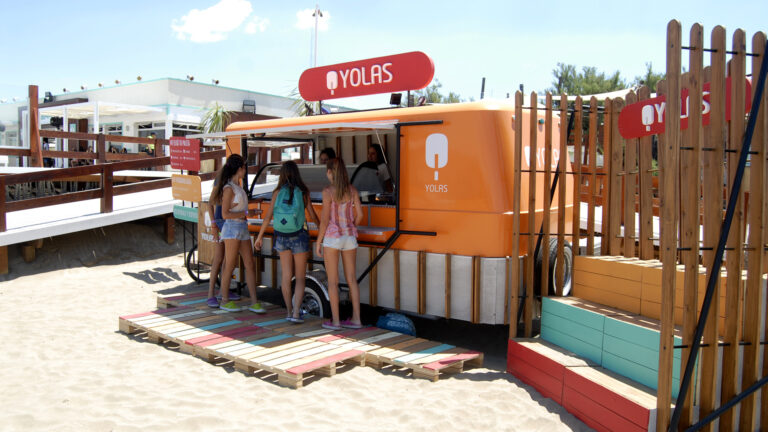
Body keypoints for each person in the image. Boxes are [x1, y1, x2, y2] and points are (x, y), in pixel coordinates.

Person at [254, 161, 318, 323]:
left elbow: (268, 217)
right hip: (299, 235)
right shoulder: (303, 192)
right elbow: (312, 215)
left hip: (281, 236)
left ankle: (288, 311)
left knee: (286, 275)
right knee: (300, 277)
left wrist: (260, 237)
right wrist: (322, 233)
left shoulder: (277, 192)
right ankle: (297, 312)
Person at [209, 154, 265, 313]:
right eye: (244, 167)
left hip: (241, 227)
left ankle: (254, 301)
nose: (245, 170)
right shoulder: (228, 188)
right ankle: (225, 299)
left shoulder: (236, 186)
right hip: (232, 228)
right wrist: (248, 213)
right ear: (239, 169)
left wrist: (249, 212)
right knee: (230, 264)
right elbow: (225, 214)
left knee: (249, 264)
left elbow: (234, 210)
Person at [315, 158, 364, 330]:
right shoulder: (352, 190)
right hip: (350, 237)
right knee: (352, 279)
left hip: (332, 238)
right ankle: (356, 319)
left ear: (330, 172)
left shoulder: (328, 191)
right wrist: (351, 226)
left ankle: (336, 321)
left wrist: (318, 241)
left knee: (333, 281)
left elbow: (324, 220)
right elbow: (360, 215)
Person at [204, 184, 235, 308]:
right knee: (219, 258)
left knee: (228, 259)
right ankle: (211, 294)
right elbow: (210, 203)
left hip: (229, 221)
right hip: (221, 221)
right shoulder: (221, 179)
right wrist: (213, 225)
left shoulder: (235, 179)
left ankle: (223, 291)